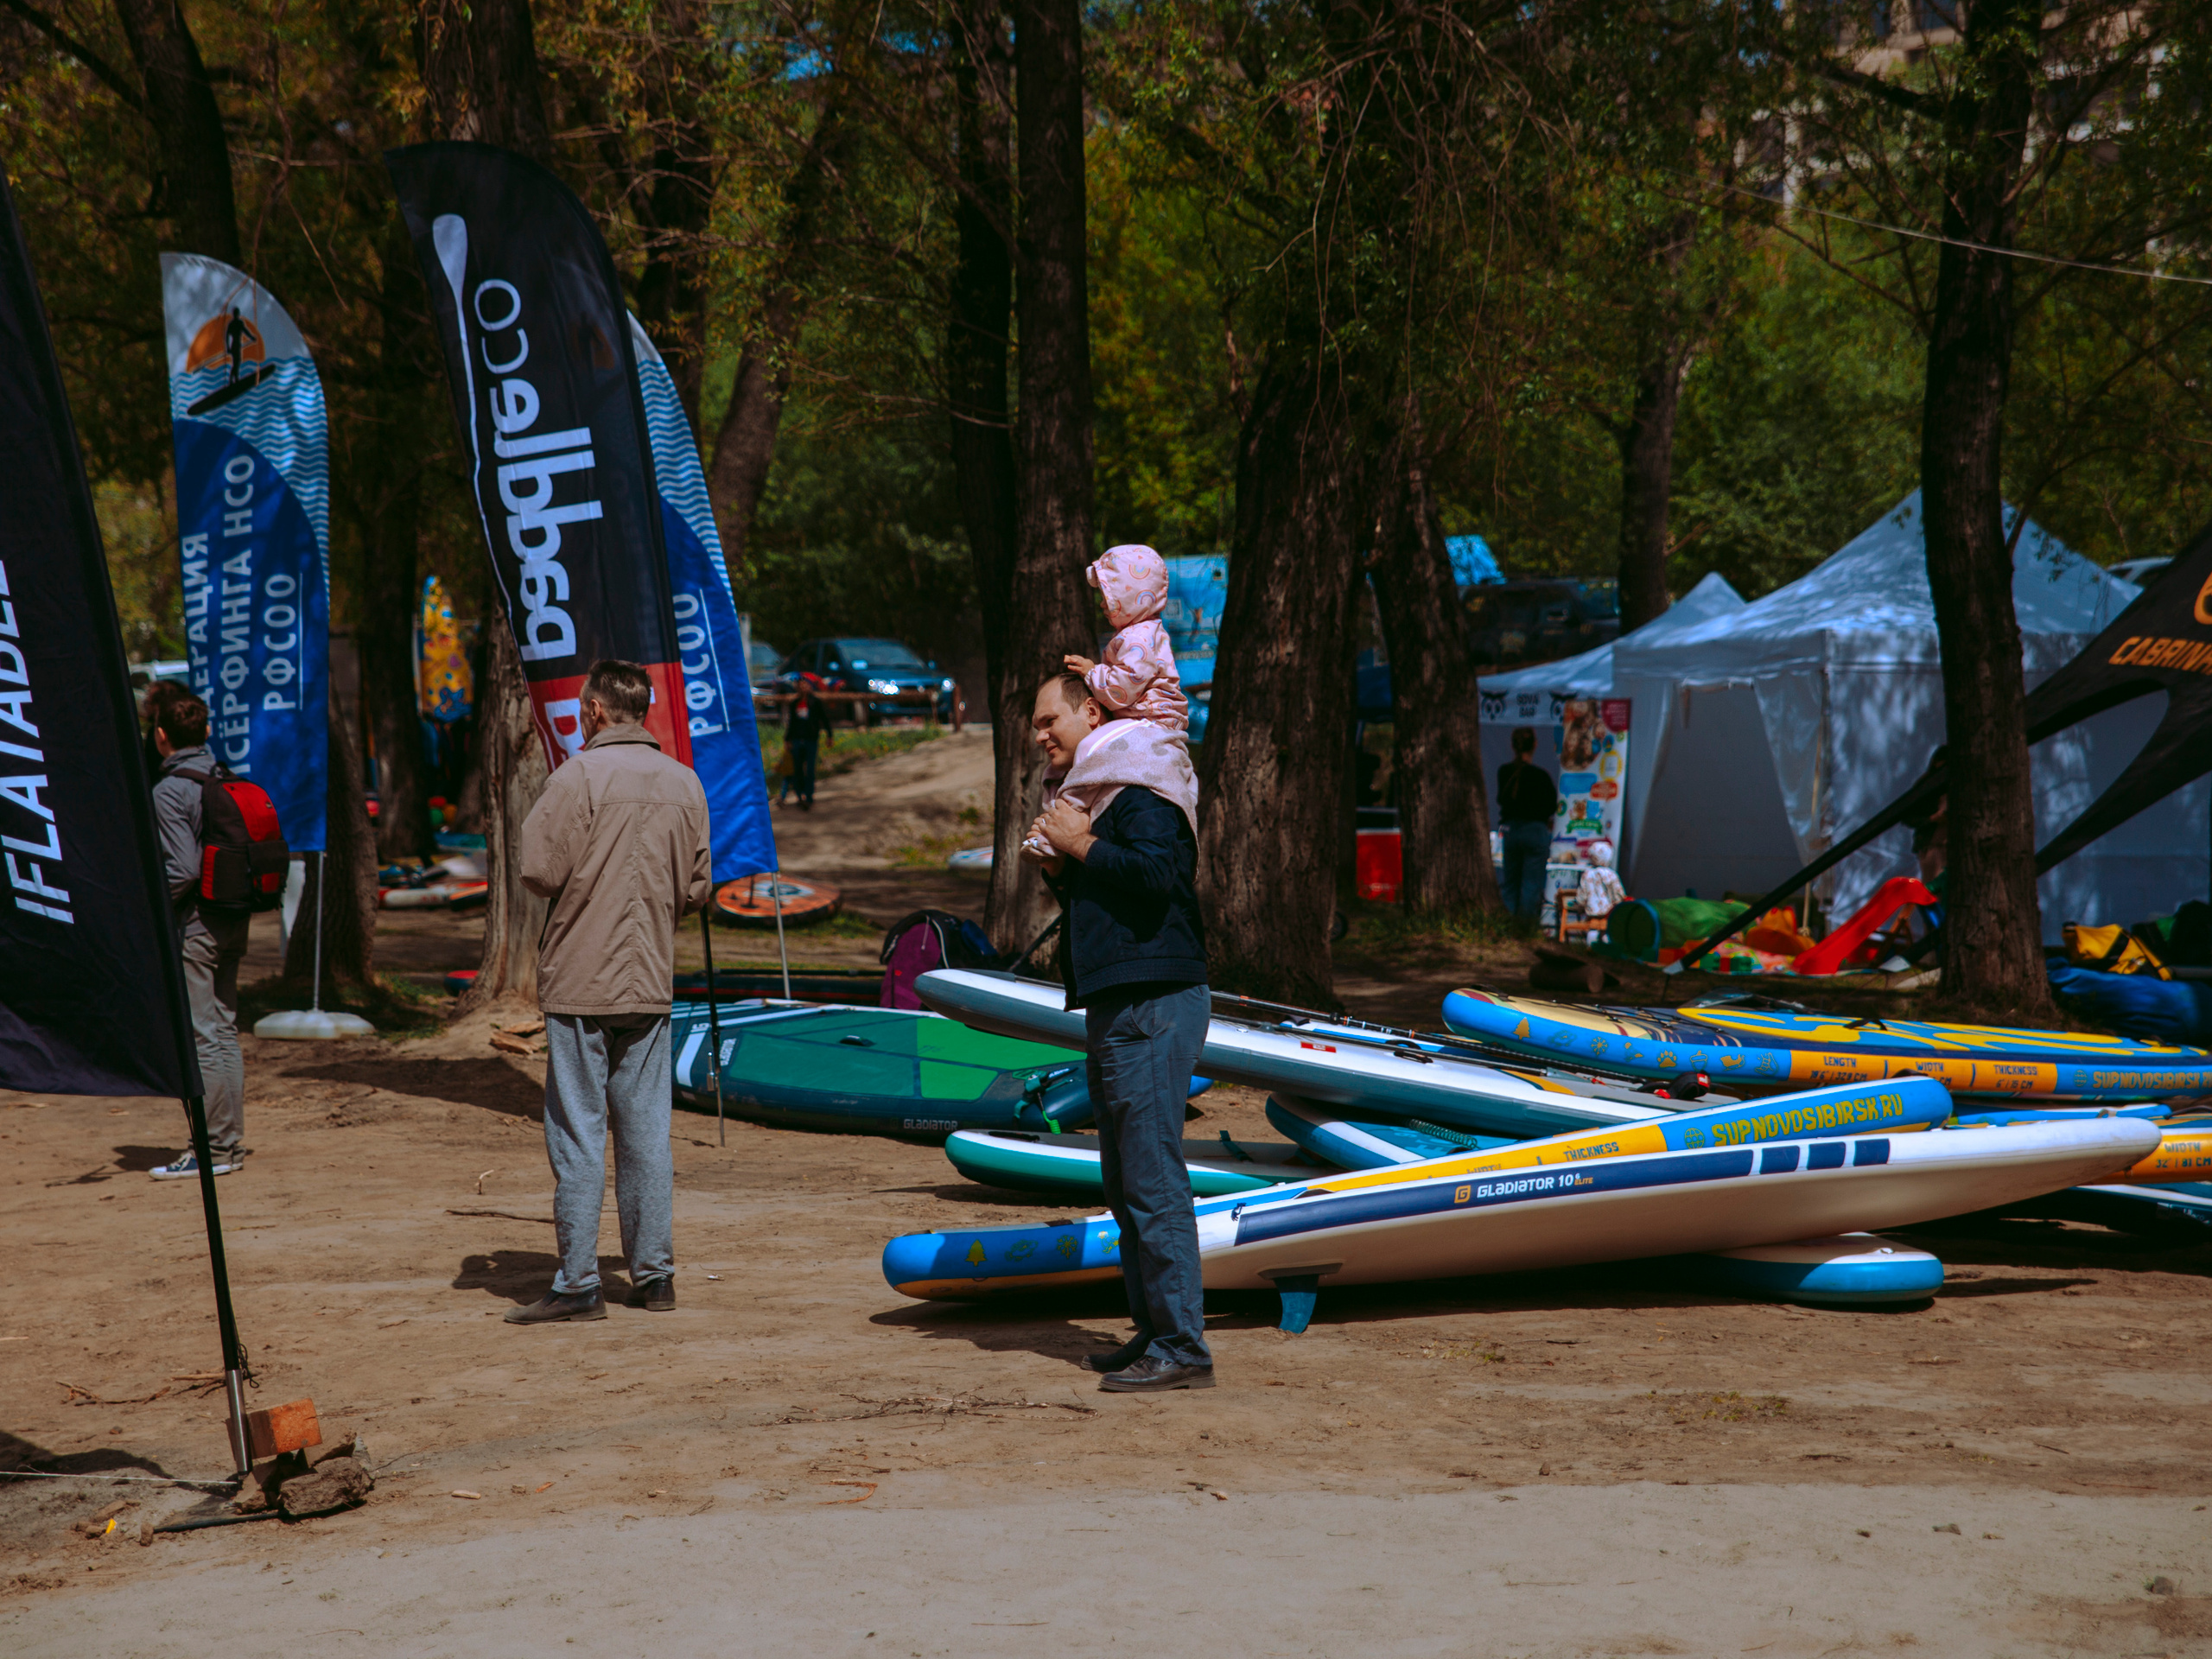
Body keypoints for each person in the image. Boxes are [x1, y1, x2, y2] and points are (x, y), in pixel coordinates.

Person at [505, 660, 712, 1325]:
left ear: (594, 711)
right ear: (643, 710)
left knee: (578, 1133)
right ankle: (654, 1277)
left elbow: (536, 869)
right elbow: (699, 888)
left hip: (579, 983)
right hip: (649, 981)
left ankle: (577, 1283)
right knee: (648, 1133)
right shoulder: (685, 783)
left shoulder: (577, 778)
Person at [1026, 672, 1213, 1393]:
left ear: (1094, 711)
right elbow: (1112, 895)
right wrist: (1062, 867)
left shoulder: (1142, 789)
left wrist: (1080, 847)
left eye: (1052, 720)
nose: (1043, 735)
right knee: (1125, 1176)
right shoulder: (1099, 799)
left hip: (1154, 1001)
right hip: (1118, 1000)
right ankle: (1154, 1329)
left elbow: (1164, 875)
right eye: (1036, 725)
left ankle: (1183, 1347)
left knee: (1152, 1175)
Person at [1024, 544, 1196, 861]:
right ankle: (1062, 825)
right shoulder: (1138, 635)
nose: (1103, 605)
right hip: (1145, 720)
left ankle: (1062, 819)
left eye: (1107, 596)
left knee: (1093, 752)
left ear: (1131, 597)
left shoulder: (1140, 638)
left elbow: (1122, 690)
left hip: (1152, 720)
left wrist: (1093, 672)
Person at [146, 691, 250, 1180]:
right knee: (223, 1032)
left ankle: (211, 1151)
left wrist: (149, 911)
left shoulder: (169, 790)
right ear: (207, 732)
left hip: (197, 926)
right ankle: (227, 1146)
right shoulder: (223, 777)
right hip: (233, 918)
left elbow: (183, 869)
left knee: (204, 1036)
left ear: (160, 734)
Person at [1497, 726, 1558, 923]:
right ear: (1535, 745)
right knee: (1531, 885)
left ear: (1512, 746)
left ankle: (1507, 927)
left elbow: (1502, 800)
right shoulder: (1541, 776)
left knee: (1511, 883)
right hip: (1535, 832)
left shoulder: (1504, 772)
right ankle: (1525, 930)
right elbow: (1551, 806)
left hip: (1511, 832)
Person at [781, 672, 833, 812]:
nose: (803, 687)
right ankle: (800, 796)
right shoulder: (794, 704)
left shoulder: (815, 702)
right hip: (797, 740)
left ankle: (809, 796)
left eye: (805, 685)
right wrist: (787, 739)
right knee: (797, 769)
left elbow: (824, 719)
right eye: (800, 685)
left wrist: (830, 735)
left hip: (811, 739)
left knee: (810, 770)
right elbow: (791, 724)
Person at [1577, 838, 1626, 921]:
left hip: (1591, 913)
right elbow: (1618, 893)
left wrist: (1580, 905)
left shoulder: (1587, 874)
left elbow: (1582, 895)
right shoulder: (1611, 874)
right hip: (1609, 913)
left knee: (1592, 929)